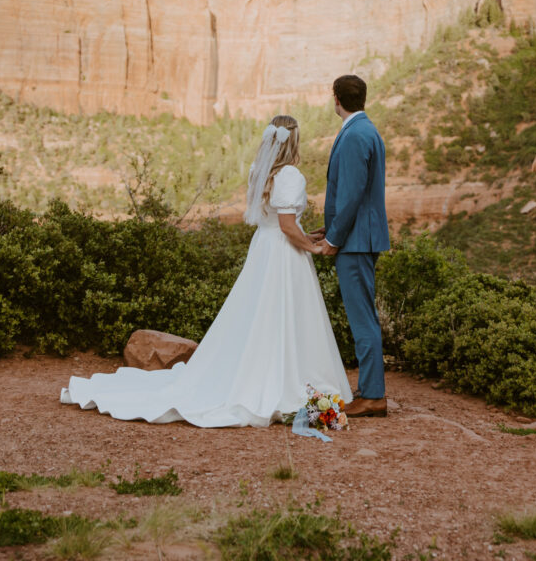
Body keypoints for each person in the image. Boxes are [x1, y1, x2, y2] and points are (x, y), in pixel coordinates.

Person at [60, 116, 351, 427]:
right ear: (293, 140)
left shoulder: (259, 170)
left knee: (258, 316)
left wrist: (307, 235)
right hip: (284, 255)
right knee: (284, 317)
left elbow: (276, 223)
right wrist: (314, 247)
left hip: (264, 248)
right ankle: (285, 382)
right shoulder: (290, 174)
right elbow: (286, 225)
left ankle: (261, 375)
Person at [313, 75, 390, 418]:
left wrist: (334, 238)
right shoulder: (363, 129)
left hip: (356, 241)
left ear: (336, 100)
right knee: (364, 316)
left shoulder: (357, 134)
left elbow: (353, 193)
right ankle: (370, 390)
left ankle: (373, 395)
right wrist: (329, 228)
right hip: (356, 236)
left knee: (362, 319)